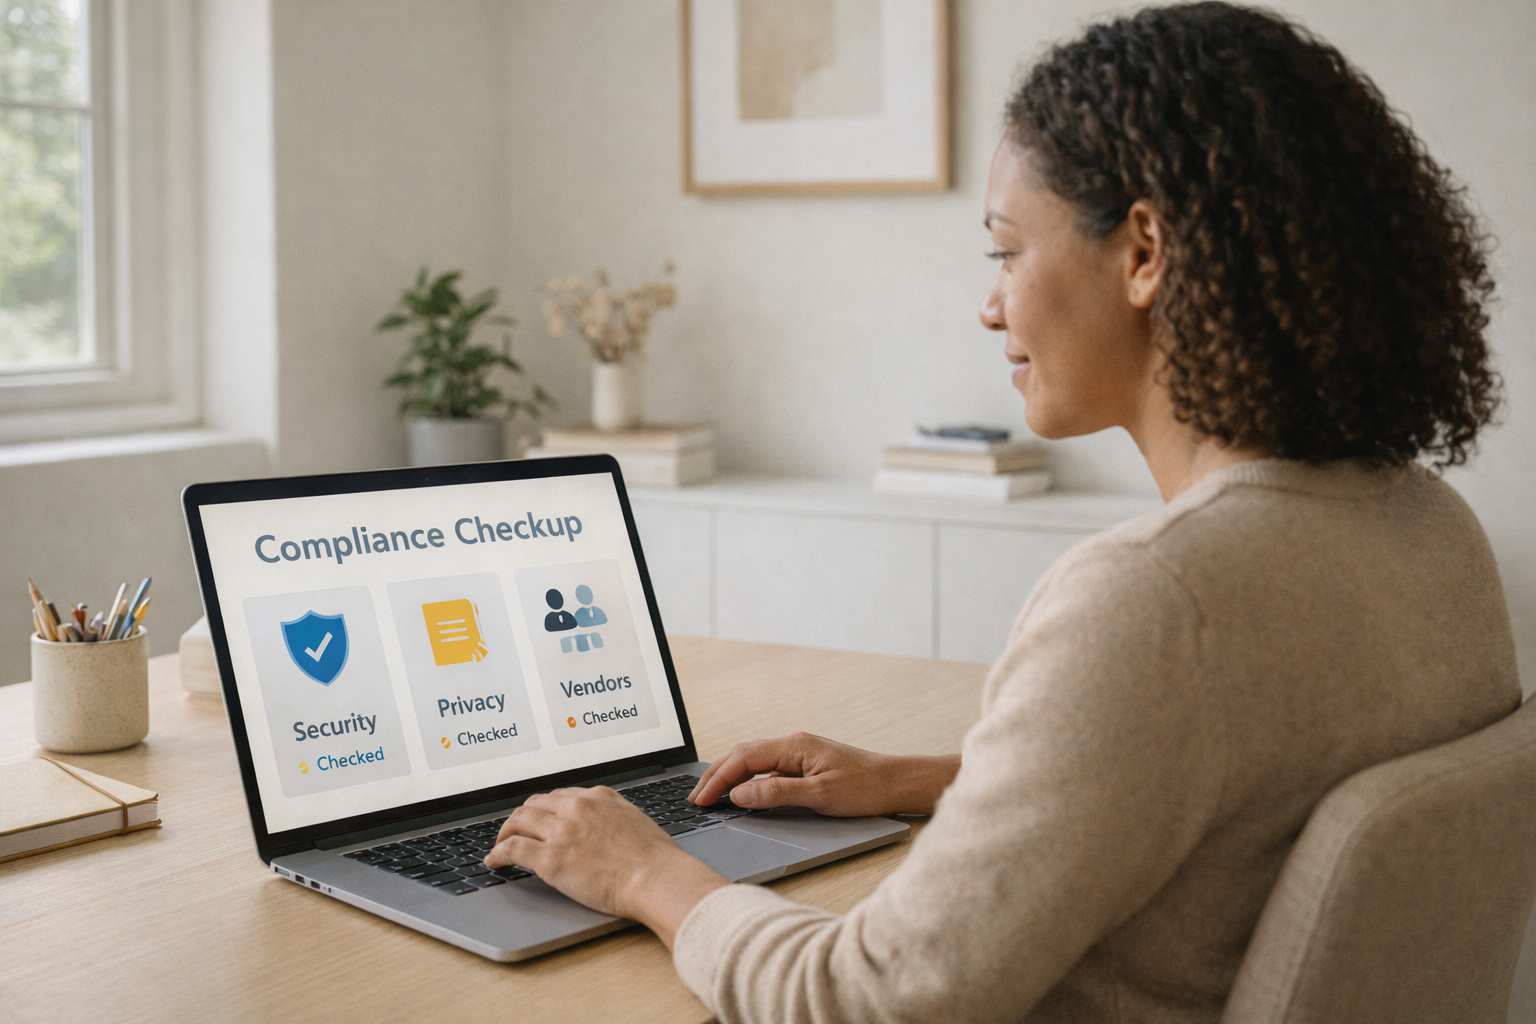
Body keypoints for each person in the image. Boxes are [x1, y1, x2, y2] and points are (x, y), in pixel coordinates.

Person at [486, 4, 1520, 1020]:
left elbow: (866, 999)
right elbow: (1236, 787)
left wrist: (643, 871)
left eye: (1005, 252)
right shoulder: (1430, 527)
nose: (991, 306)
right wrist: (930, 777)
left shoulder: (1158, 596)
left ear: (1145, 252)